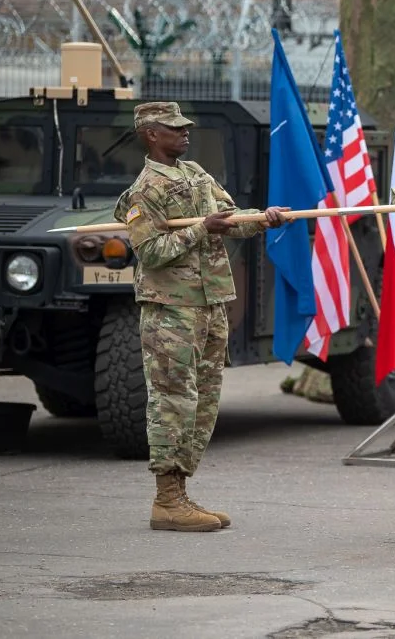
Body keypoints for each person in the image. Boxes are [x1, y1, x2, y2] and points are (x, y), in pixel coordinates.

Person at [114, 102, 286, 532]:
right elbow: (150, 252)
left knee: (204, 401)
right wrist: (200, 229)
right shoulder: (144, 190)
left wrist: (262, 220)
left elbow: (230, 220)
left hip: (210, 303)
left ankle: (181, 491)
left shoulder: (196, 174)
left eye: (185, 127)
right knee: (174, 400)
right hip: (171, 307)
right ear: (151, 134)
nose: (185, 133)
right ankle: (166, 499)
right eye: (175, 128)